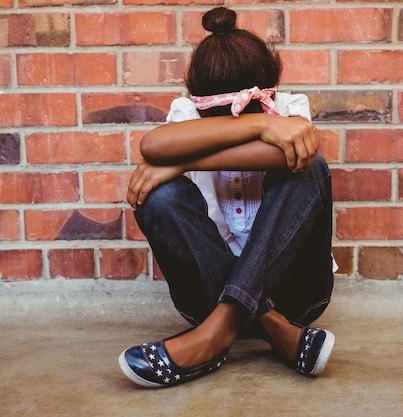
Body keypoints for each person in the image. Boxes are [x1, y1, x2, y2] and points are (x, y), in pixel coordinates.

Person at [119, 6, 335, 388]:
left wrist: (178, 161)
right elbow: (152, 145)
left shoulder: (288, 109)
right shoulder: (188, 112)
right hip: (205, 297)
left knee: (309, 169)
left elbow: (289, 153)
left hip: (298, 298)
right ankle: (267, 324)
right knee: (159, 195)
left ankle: (218, 332)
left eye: (255, 115)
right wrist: (258, 125)